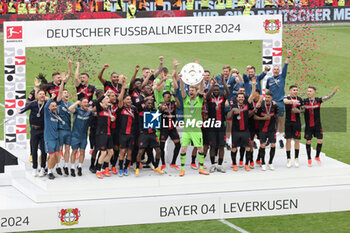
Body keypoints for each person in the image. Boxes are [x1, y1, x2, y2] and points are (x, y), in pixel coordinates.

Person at [179, 78, 209, 176]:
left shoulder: (199, 100)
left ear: (196, 92)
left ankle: (201, 168)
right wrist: (181, 80)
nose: (190, 91)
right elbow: (182, 90)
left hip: (196, 129)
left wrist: (201, 79)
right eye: (190, 90)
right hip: (187, 130)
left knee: (200, 149)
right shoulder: (186, 99)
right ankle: (182, 169)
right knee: (183, 149)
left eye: (192, 90)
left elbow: (201, 89)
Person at [302, 85, 338, 166]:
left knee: (320, 140)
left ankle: (317, 156)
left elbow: (327, 97)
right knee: (308, 141)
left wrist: (333, 92)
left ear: (314, 92)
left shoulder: (318, 100)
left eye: (310, 91)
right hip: (308, 125)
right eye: (308, 91)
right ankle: (309, 159)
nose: (308, 93)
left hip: (317, 125)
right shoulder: (304, 101)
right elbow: (297, 105)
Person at [18, 78, 48, 177]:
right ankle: (35, 168)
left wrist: (51, 98)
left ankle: (43, 168)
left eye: (43, 94)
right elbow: (24, 109)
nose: (42, 95)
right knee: (34, 149)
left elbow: (54, 103)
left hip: (43, 130)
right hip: (34, 130)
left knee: (44, 150)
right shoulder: (33, 104)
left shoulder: (47, 105)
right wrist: (19, 111)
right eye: (40, 94)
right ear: (37, 96)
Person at [265, 49, 292, 149]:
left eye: (277, 69)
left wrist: (288, 57)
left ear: (279, 71)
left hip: (280, 102)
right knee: (271, 120)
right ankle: (270, 137)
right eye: (274, 69)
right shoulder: (269, 79)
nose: (276, 70)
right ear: (272, 71)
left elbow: (286, 66)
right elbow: (267, 90)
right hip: (272, 102)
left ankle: (280, 138)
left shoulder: (282, 77)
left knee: (280, 120)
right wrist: (269, 100)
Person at [227, 79, 255, 172]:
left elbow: (252, 95)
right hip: (235, 130)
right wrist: (232, 111)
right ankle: (234, 164)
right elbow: (228, 116)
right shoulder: (233, 105)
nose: (241, 98)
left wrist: (254, 85)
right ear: (237, 98)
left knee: (247, 148)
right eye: (239, 97)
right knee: (234, 148)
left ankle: (246, 165)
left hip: (245, 130)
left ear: (244, 98)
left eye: (242, 97)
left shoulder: (247, 103)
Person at [135, 99, 164, 176]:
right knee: (140, 151)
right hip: (144, 134)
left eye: (151, 103)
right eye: (148, 103)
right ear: (145, 104)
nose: (150, 104)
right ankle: (137, 168)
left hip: (152, 134)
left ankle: (157, 167)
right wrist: (141, 132)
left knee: (158, 150)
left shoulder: (154, 111)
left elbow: (158, 118)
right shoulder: (141, 112)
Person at [206, 78, 229, 173]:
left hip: (221, 125)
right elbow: (207, 95)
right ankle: (213, 165)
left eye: (217, 90)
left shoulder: (222, 98)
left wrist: (223, 83)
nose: (216, 91)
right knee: (212, 145)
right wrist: (212, 85)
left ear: (220, 91)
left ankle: (220, 165)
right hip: (211, 125)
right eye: (214, 90)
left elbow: (228, 92)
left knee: (221, 146)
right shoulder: (209, 98)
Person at [117, 76, 138, 176]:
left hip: (132, 134)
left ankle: (125, 168)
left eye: (130, 99)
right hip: (123, 134)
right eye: (128, 99)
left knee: (129, 152)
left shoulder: (134, 109)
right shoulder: (121, 108)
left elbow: (137, 121)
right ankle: (120, 168)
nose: (130, 101)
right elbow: (119, 99)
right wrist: (123, 88)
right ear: (124, 101)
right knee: (123, 152)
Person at [68, 98, 94, 176]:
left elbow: (97, 111)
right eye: (84, 102)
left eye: (87, 102)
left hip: (83, 136)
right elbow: (70, 109)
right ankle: (72, 167)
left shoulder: (89, 112)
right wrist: (77, 102)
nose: (86, 103)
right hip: (75, 136)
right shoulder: (77, 110)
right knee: (74, 151)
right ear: (81, 104)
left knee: (82, 152)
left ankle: (79, 167)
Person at [254, 91, 279, 171]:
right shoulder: (260, 106)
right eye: (266, 97)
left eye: (269, 97)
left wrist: (276, 127)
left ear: (271, 98)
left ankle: (270, 162)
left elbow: (276, 117)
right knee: (263, 146)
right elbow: (255, 117)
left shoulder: (274, 106)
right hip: (262, 129)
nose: (267, 99)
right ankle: (263, 163)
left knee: (273, 145)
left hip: (271, 129)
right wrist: (263, 118)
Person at [94, 90, 115, 179]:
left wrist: (112, 117)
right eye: (106, 98)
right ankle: (98, 170)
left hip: (108, 133)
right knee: (103, 153)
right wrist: (104, 95)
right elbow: (97, 102)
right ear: (102, 101)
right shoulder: (100, 109)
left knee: (111, 152)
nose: (108, 99)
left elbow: (111, 120)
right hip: (101, 134)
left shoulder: (108, 110)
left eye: (108, 98)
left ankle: (104, 168)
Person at [158, 91, 181, 170]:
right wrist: (163, 107)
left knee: (178, 145)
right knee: (162, 146)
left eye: (169, 96)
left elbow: (179, 104)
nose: (168, 98)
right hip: (164, 128)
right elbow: (160, 108)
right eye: (166, 96)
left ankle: (173, 163)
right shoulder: (161, 103)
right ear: (163, 97)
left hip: (172, 128)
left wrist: (175, 96)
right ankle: (163, 163)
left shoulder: (173, 103)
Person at [283, 85, 303, 168]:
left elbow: (303, 109)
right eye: (294, 90)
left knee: (297, 140)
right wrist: (293, 102)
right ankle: (288, 158)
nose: (296, 91)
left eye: (297, 90)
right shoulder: (286, 97)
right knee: (288, 140)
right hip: (288, 123)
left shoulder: (300, 99)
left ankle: (296, 158)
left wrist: (298, 110)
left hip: (297, 123)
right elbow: (285, 101)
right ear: (290, 91)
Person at [56, 74, 72, 177]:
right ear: (61, 95)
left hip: (68, 130)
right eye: (64, 92)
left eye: (67, 93)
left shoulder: (70, 104)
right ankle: (58, 165)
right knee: (60, 149)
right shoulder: (59, 103)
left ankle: (66, 165)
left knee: (67, 149)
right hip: (60, 129)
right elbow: (60, 91)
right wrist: (62, 82)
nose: (66, 94)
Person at [43, 93, 61, 180]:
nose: (54, 107)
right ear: (49, 107)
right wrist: (51, 99)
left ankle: (48, 167)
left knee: (56, 156)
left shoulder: (56, 115)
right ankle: (50, 172)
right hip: (49, 139)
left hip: (56, 138)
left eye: (55, 106)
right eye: (52, 106)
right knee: (52, 155)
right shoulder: (47, 114)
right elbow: (45, 107)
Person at [88, 89, 104, 173]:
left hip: (102, 129)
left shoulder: (105, 104)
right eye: (102, 94)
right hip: (95, 129)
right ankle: (92, 165)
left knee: (102, 149)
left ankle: (98, 164)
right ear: (98, 96)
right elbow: (91, 110)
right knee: (96, 148)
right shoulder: (93, 102)